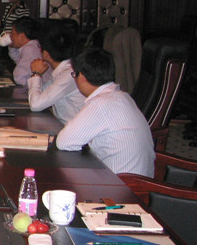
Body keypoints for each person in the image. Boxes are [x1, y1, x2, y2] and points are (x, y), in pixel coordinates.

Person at [56, 47, 154, 177]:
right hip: (141, 181)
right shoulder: (122, 96)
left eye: (74, 75)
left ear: (82, 77)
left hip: (123, 184)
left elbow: (64, 142)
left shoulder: (100, 103)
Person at [27, 21, 85, 123]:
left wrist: (36, 74)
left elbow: (36, 105)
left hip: (73, 129)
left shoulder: (68, 75)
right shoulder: (63, 70)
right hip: (62, 125)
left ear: (46, 53)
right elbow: (41, 94)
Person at [10, 16, 47, 87]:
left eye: (12, 33)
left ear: (22, 36)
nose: (10, 36)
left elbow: (18, 77)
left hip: (39, 89)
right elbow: (18, 60)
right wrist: (12, 47)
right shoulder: (32, 45)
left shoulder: (30, 50)